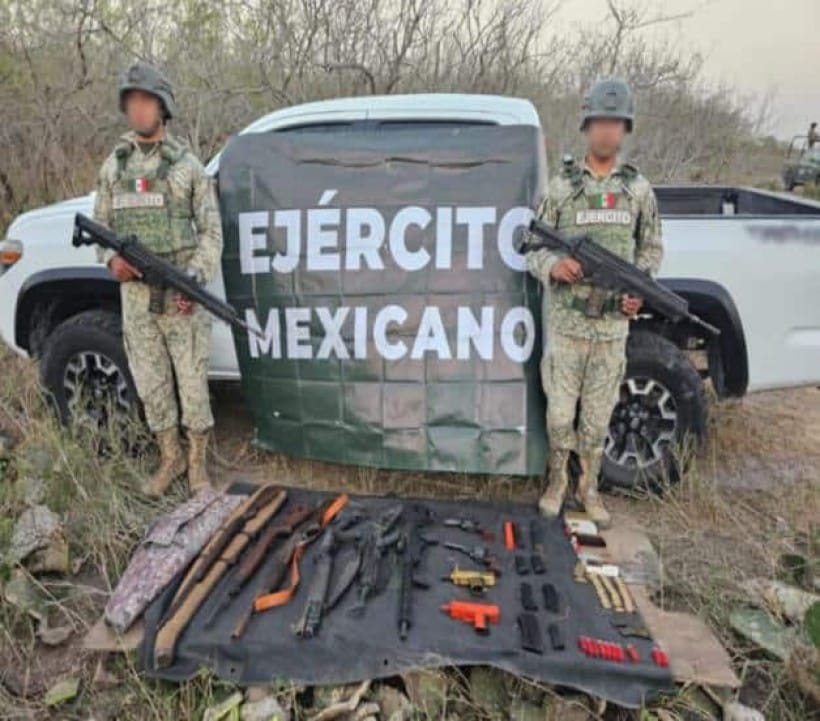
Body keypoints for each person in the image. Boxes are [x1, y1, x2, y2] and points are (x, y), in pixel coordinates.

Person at [526, 78, 663, 527]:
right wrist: (554, 266)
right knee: (560, 417)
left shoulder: (637, 190)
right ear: (587, 126)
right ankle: (557, 484)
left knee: (598, 421)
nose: (607, 132)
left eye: (616, 123)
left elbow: (650, 250)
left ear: (625, 129)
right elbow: (533, 245)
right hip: (566, 326)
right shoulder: (562, 188)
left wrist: (638, 290)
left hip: (609, 332)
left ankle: (590, 488)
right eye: (600, 123)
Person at [93, 62, 223, 496]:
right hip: (135, 298)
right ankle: (170, 458)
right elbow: (101, 225)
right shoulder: (114, 166)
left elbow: (211, 233)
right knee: (151, 383)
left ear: (162, 106)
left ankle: (198, 464)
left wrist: (194, 278)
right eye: (131, 101)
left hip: (180, 295)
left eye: (146, 100)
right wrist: (112, 260)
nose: (138, 109)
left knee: (192, 383)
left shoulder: (188, 167)